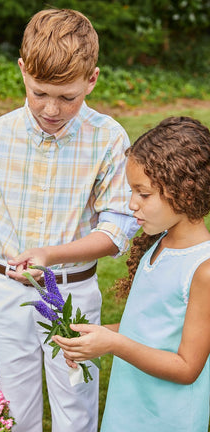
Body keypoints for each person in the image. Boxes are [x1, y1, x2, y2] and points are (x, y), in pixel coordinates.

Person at [0, 8, 138, 432]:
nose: (51, 109)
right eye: (39, 93)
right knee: (13, 411)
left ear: (91, 79)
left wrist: (49, 255)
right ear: (22, 72)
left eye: (67, 97)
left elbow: (116, 231)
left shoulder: (108, 138)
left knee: (74, 409)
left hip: (71, 294)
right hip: (4, 291)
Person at [53, 116, 210, 432]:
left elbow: (187, 368)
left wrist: (112, 344)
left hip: (167, 418)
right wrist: (96, 336)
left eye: (144, 193)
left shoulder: (203, 269)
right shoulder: (159, 245)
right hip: (130, 407)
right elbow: (151, 326)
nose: (131, 204)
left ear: (187, 191)